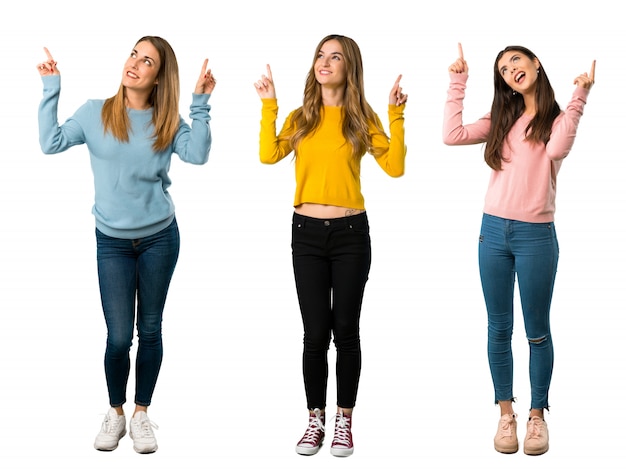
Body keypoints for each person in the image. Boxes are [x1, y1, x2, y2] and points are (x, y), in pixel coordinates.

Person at [37, 36, 216, 454]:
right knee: (119, 337)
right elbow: (51, 143)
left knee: (149, 328)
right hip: (112, 243)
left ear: (158, 77)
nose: (134, 63)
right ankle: (115, 413)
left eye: (147, 61)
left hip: (159, 238)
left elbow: (199, 155)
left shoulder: (168, 119)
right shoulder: (95, 112)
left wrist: (201, 102)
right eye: (133, 54)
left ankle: (141, 415)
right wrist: (51, 88)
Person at [254, 34, 407, 457]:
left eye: (335, 56)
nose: (325, 62)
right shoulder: (302, 116)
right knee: (314, 333)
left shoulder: (362, 117)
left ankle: (344, 421)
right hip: (305, 233)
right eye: (321, 55)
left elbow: (394, 168)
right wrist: (269, 105)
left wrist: (396, 115)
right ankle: (314, 420)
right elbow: (268, 156)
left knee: (347, 331)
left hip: (350, 235)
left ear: (348, 67)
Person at [443, 43, 595, 455]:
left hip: (536, 237)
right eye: (504, 70)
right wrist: (458, 81)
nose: (511, 71)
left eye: (516, 62)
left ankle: (537, 416)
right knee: (498, 328)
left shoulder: (556, 119)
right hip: (492, 233)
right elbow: (451, 135)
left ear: (535, 63)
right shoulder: (500, 117)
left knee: (537, 332)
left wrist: (580, 95)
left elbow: (557, 150)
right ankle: (505, 414)